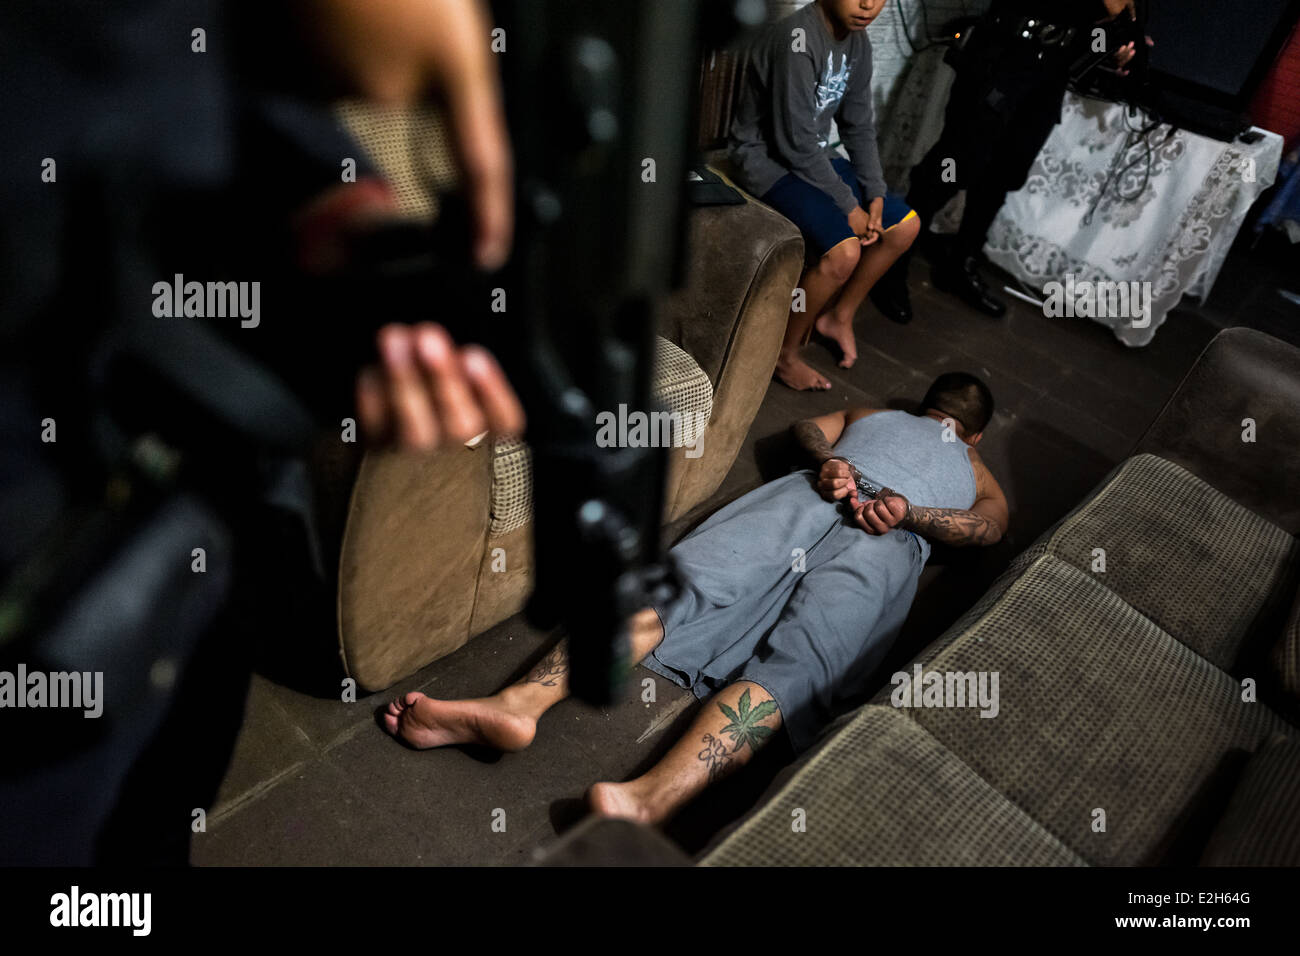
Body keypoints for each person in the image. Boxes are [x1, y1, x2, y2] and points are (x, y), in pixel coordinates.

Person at [383, 372, 1009, 823]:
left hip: (810, 499)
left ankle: (519, 703)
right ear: (975, 436)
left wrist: (832, 466)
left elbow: (806, 429)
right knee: (801, 669)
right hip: (889, 539)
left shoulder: (871, 415)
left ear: (926, 405)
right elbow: (988, 529)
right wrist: (913, 512)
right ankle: (642, 802)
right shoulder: (979, 473)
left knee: (680, 588)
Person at [890, 0, 1144, 317]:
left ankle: (959, 264)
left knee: (1004, 172)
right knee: (954, 164)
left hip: (1053, 66)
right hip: (1003, 51)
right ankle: (891, 260)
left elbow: (1111, 14)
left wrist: (1117, 41)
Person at [728, 0, 920, 391]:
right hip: (766, 160)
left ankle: (839, 317)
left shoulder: (857, 41)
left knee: (904, 227)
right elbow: (794, 142)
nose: (868, 4)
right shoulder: (796, 39)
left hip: (813, 157)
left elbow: (858, 126)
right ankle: (784, 356)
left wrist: (875, 192)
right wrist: (849, 205)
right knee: (844, 251)